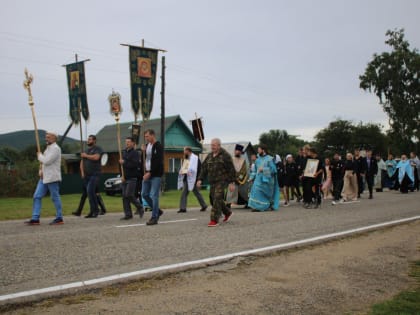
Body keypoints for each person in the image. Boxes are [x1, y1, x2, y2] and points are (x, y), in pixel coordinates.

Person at [25, 132, 64, 225]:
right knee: (37, 196)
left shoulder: (56, 149)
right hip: (44, 177)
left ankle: (59, 218)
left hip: (52, 177)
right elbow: (43, 164)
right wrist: (40, 171)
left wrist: (39, 156)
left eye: (49, 137)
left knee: (55, 197)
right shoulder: (48, 149)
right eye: (46, 137)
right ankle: (35, 218)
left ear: (54, 138)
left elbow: (47, 161)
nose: (46, 139)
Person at [197, 138, 236, 227]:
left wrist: (232, 182)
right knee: (213, 199)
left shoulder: (225, 155)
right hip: (212, 182)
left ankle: (214, 220)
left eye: (214, 145)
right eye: (211, 145)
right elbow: (204, 168)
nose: (212, 147)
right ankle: (227, 212)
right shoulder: (210, 156)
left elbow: (231, 169)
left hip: (222, 181)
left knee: (217, 198)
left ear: (219, 145)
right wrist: (200, 179)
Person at [248, 144, 280, 212]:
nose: (258, 151)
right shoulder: (257, 160)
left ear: (263, 150)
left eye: (259, 149)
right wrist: (251, 177)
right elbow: (254, 170)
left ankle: (266, 205)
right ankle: (256, 207)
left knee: (264, 194)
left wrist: (264, 169)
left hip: (267, 180)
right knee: (255, 191)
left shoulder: (270, 159)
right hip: (258, 180)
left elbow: (274, 170)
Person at [141, 129, 164, 226]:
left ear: (152, 135)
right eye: (145, 137)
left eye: (147, 136)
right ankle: (157, 210)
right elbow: (145, 160)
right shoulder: (147, 146)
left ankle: (154, 217)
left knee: (154, 195)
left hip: (155, 174)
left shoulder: (158, 146)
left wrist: (150, 172)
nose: (146, 138)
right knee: (144, 194)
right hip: (147, 173)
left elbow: (157, 162)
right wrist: (142, 152)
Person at [177, 146, 208, 213]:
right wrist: (182, 171)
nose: (184, 152)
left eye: (184, 150)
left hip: (193, 179)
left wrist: (198, 179)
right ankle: (183, 208)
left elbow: (199, 169)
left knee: (196, 193)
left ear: (188, 151)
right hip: (186, 179)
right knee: (185, 193)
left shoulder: (195, 158)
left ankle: (203, 205)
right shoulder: (186, 158)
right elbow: (184, 169)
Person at [120, 137, 144, 220]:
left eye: (129, 142)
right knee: (124, 196)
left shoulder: (135, 153)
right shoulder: (123, 152)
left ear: (133, 143)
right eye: (126, 142)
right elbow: (121, 166)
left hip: (132, 177)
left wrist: (124, 162)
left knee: (129, 195)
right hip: (124, 177)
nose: (127, 143)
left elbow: (134, 164)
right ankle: (128, 214)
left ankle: (140, 207)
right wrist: (121, 175)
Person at [80, 135, 103, 218]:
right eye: (88, 139)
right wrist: (82, 172)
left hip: (95, 174)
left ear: (94, 140)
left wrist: (86, 156)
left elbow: (96, 157)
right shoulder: (86, 150)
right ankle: (93, 211)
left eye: (90, 139)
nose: (88, 141)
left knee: (90, 191)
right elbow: (82, 162)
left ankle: (95, 211)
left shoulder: (98, 149)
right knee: (90, 193)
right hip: (87, 175)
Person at [226, 144, 250, 208]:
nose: (237, 152)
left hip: (242, 179)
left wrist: (240, 178)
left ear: (241, 152)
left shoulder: (243, 160)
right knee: (231, 190)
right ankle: (228, 203)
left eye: (239, 151)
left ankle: (247, 202)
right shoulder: (231, 159)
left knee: (244, 191)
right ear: (234, 151)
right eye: (236, 151)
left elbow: (245, 170)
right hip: (233, 178)